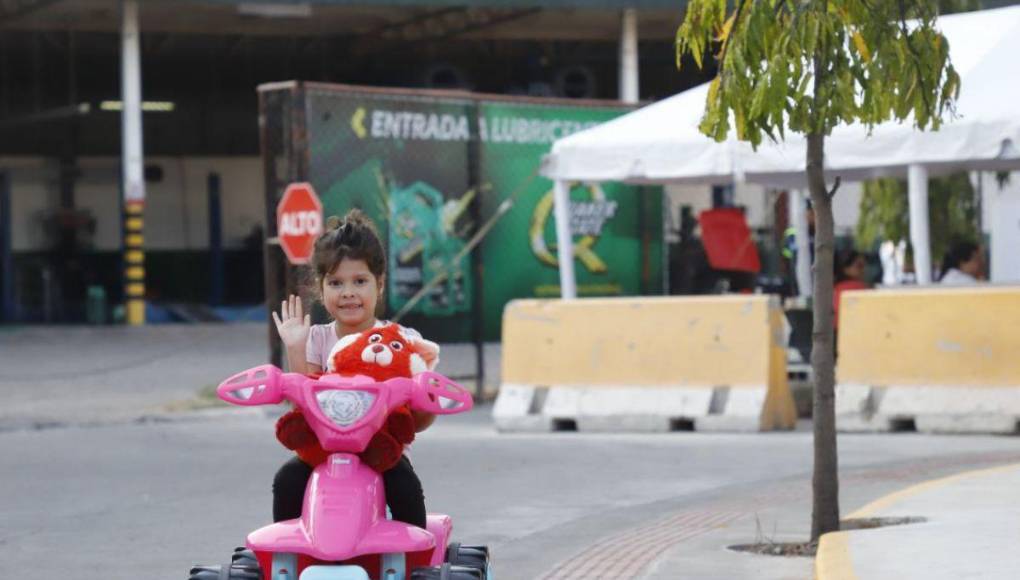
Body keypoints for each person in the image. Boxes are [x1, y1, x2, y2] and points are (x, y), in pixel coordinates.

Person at [271, 209, 434, 528]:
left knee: (404, 486)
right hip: (324, 452)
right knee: (287, 480)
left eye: (360, 281)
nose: (348, 292)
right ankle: (290, 550)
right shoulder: (316, 338)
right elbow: (302, 408)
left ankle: (415, 554)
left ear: (379, 284)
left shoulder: (401, 341)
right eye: (336, 283)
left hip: (382, 453)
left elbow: (421, 420)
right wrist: (295, 348)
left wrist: (425, 398)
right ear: (321, 288)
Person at [833, 249, 870, 331]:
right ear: (845, 268)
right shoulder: (856, 287)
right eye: (859, 266)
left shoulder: (834, 288)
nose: (864, 270)